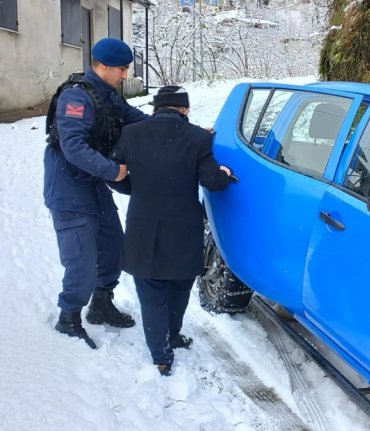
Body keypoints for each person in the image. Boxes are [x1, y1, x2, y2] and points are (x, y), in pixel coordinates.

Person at [111, 86, 232, 376]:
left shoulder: (131, 134)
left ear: (156, 108)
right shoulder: (200, 138)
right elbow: (211, 181)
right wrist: (225, 174)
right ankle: (173, 334)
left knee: (150, 289)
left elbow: (113, 176)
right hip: (183, 225)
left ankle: (161, 355)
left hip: (144, 224)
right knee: (180, 284)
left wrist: (135, 189)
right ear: (185, 110)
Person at [44, 38, 149, 349]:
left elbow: (137, 121)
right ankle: (69, 316)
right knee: (82, 260)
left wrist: (176, 125)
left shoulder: (108, 96)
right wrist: (112, 171)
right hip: (68, 187)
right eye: (121, 68)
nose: (125, 74)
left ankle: (101, 304)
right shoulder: (75, 97)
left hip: (91, 183)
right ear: (102, 66)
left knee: (113, 245)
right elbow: (72, 146)